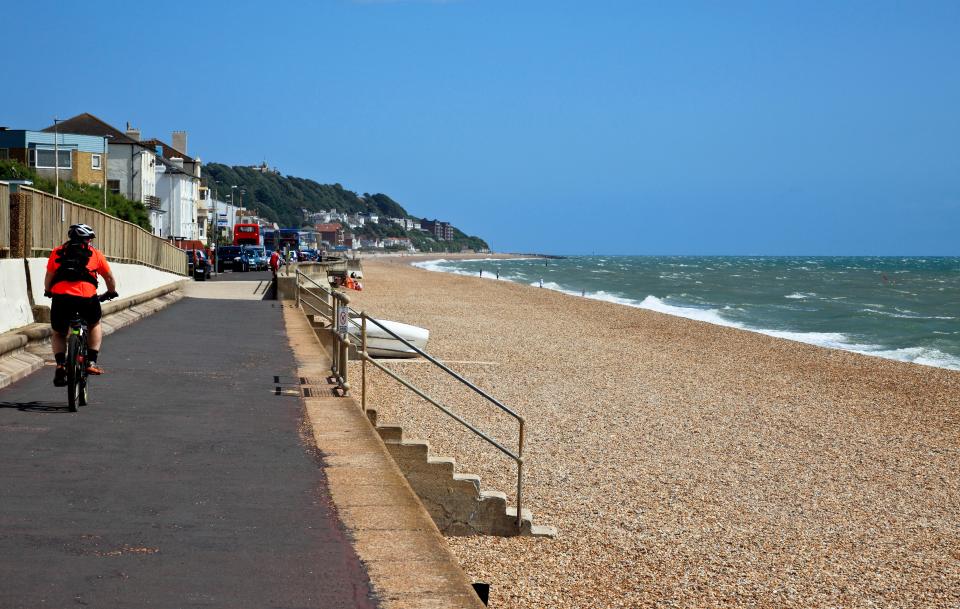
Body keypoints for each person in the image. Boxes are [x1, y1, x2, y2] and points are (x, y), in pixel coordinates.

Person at [44, 224, 118, 385]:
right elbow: (109, 278)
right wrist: (111, 291)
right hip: (87, 297)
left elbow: (49, 276)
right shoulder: (95, 254)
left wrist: (48, 290)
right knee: (94, 323)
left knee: (58, 332)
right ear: (88, 240)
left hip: (61, 298)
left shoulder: (57, 252)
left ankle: (60, 365)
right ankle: (91, 362)